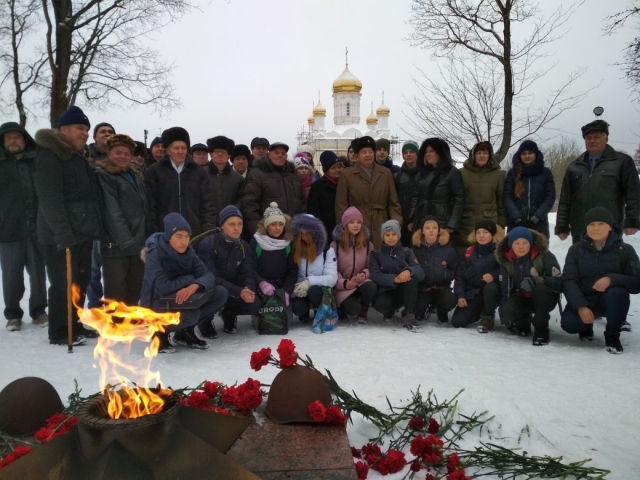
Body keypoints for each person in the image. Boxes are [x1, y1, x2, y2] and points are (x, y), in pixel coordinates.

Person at [34, 105, 102, 346]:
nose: (84, 133)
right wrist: (63, 234)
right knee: (64, 283)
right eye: (79, 128)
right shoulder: (50, 156)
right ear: (63, 130)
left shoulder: (78, 157)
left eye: (86, 129)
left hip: (82, 233)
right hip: (60, 236)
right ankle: (60, 331)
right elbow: (50, 200)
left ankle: (74, 323)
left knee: (80, 282)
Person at [140, 213, 228, 353]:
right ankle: (159, 331)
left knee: (220, 293)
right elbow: (163, 287)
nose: (184, 241)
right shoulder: (154, 253)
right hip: (156, 302)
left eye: (187, 236)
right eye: (179, 236)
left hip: (180, 299)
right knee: (190, 315)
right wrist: (188, 279)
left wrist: (194, 286)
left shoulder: (188, 251)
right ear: (169, 237)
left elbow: (208, 276)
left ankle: (184, 332)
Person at [560, 207, 640, 354]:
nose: (596, 228)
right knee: (569, 324)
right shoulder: (576, 250)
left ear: (610, 226)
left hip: (610, 301)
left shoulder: (625, 250)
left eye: (601, 224)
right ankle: (586, 326)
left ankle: (612, 335)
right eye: (591, 224)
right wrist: (580, 306)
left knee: (617, 293)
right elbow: (569, 280)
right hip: (585, 299)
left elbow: (636, 283)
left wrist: (611, 279)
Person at [556, 120, 640, 243]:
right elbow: (565, 200)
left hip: (610, 228)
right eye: (588, 138)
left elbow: (633, 194)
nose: (592, 140)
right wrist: (562, 225)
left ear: (606, 139)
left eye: (596, 137)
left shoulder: (622, 162)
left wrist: (632, 220)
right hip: (581, 230)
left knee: (610, 262)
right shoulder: (574, 167)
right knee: (581, 261)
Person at [0, 122, 48, 331]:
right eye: (8, 138)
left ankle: (38, 311)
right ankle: (13, 314)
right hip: (8, 228)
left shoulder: (36, 161)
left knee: (38, 274)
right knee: (11, 276)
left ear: (24, 140)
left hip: (36, 228)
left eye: (16, 137)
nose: (12, 141)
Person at [95, 134, 151, 305]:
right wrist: (126, 241)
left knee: (135, 285)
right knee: (116, 288)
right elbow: (111, 211)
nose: (122, 157)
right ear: (109, 154)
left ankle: (130, 322)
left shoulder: (135, 176)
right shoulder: (104, 175)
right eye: (118, 152)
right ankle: (115, 325)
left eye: (127, 154)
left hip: (138, 241)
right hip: (117, 243)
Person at [196, 205, 260, 335]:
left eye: (239, 224)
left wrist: (248, 289)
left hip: (232, 288)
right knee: (220, 291)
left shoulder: (244, 246)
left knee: (255, 303)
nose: (236, 228)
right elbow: (211, 277)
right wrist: (238, 291)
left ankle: (230, 312)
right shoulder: (208, 244)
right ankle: (205, 320)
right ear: (222, 226)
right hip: (211, 289)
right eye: (231, 224)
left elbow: (247, 273)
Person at [496, 226, 562, 346]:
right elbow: (504, 287)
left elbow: (560, 282)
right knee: (507, 310)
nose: (521, 247)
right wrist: (504, 311)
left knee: (540, 290)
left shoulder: (544, 256)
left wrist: (541, 280)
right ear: (511, 245)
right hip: (522, 296)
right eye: (517, 243)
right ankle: (523, 323)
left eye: (525, 242)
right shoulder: (506, 260)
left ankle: (542, 331)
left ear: (531, 243)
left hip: (545, 298)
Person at [145, 126, 215, 236]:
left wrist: (207, 231)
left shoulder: (198, 172)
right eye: (176, 148)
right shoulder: (154, 171)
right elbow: (150, 205)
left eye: (183, 148)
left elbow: (207, 204)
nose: (180, 151)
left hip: (193, 232)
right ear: (167, 150)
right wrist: (154, 230)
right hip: (165, 232)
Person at [335, 136, 402, 247]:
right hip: (357, 224)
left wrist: (397, 222)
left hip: (382, 223)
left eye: (370, 152)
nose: (368, 155)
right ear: (357, 156)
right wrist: (344, 228)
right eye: (364, 152)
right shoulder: (347, 174)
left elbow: (393, 202)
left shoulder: (385, 173)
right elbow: (341, 204)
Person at [240, 142, 306, 234]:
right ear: (269, 155)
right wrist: (258, 231)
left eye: (283, 153)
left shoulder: (294, 176)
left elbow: (302, 204)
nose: (280, 155)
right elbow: (249, 205)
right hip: (268, 233)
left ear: (286, 157)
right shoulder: (257, 174)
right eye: (276, 152)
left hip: (293, 232)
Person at [370, 220, 424, 331]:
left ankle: (409, 316)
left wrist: (409, 271)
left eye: (394, 234)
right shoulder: (376, 254)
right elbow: (375, 275)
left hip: (403, 291)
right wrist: (394, 279)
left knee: (412, 280)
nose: (391, 237)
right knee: (382, 304)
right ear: (382, 236)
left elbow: (420, 271)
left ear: (398, 235)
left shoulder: (407, 252)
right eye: (387, 235)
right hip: (385, 291)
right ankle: (389, 312)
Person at [451, 219, 503, 332]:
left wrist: (494, 276)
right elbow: (459, 276)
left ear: (492, 234)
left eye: (485, 232)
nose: (481, 235)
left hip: (491, 292)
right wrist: (460, 296)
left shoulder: (499, 252)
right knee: (457, 322)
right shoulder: (468, 252)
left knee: (491, 287)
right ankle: (478, 311)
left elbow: (506, 273)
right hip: (472, 294)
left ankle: (488, 317)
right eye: (478, 232)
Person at [409, 138, 464, 244]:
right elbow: (416, 197)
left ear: (441, 152)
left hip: (442, 222)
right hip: (422, 220)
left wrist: (451, 225)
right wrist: (411, 219)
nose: (428, 154)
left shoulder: (452, 173)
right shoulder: (422, 173)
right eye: (426, 152)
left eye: (431, 151)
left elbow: (459, 200)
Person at [330, 207, 376, 324]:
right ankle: (341, 307)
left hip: (360, 282)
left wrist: (363, 274)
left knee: (370, 287)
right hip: (343, 285)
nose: (356, 225)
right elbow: (331, 270)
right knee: (353, 309)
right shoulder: (335, 244)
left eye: (358, 222)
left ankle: (364, 309)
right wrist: (345, 283)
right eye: (351, 222)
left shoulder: (368, 244)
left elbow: (371, 266)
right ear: (345, 224)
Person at [250, 202, 297, 314]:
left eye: (281, 224)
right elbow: (250, 268)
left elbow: (292, 271)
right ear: (266, 226)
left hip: (281, 288)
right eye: (273, 224)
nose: (277, 228)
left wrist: (287, 292)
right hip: (261, 288)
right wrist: (262, 283)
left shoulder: (287, 244)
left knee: (285, 322)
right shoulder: (256, 243)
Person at [290, 214, 338, 323]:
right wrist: (296, 289)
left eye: (308, 233)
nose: (305, 237)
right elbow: (292, 273)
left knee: (314, 291)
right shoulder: (294, 250)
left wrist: (309, 282)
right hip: (301, 289)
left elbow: (332, 277)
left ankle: (319, 310)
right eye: (301, 234)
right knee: (298, 309)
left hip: (318, 290)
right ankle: (304, 312)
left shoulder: (327, 251)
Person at [503, 140, 555, 239]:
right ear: (519, 155)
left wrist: (537, 216)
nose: (527, 156)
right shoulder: (512, 173)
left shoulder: (546, 173)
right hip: (516, 223)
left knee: (539, 253)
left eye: (530, 153)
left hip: (539, 223)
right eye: (524, 153)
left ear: (535, 154)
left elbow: (550, 196)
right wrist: (517, 216)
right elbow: (507, 196)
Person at [411, 215, 457, 326]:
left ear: (438, 230)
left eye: (434, 227)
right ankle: (424, 308)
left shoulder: (448, 249)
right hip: (422, 288)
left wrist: (444, 275)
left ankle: (441, 311)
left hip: (441, 287)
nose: (431, 230)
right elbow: (410, 267)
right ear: (422, 231)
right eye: (427, 228)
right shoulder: (415, 249)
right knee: (418, 309)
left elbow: (454, 269)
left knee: (449, 300)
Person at [459, 141, 506, 249]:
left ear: (490, 155)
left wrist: (501, 225)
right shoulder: (462, 173)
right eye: (478, 153)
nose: (482, 156)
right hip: (466, 223)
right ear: (473, 155)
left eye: (485, 153)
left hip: (490, 223)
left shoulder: (499, 175)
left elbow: (501, 201)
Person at [206, 135, 244, 227]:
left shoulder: (238, 179)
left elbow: (241, 201)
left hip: (229, 224)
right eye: (216, 151)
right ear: (211, 154)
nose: (220, 154)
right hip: (205, 224)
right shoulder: (200, 174)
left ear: (228, 156)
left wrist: (230, 215)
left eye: (223, 152)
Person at [308, 151, 345, 237]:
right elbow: (313, 210)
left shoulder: (345, 183)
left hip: (344, 226)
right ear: (326, 170)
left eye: (339, 167)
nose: (337, 170)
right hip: (326, 228)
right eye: (333, 168)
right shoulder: (317, 186)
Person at [395, 140, 422, 246]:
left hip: (419, 222)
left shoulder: (424, 174)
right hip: (402, 222)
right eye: (405, 152)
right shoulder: (398, 176)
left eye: (412, 152)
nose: (408, 154)